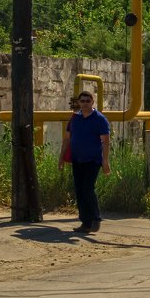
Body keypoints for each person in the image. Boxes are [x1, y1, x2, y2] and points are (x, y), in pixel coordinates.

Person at [58, 90, 110, 234]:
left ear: (93, 102)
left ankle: (96, 218)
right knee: (80, 191)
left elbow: (105, 142)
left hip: (92, 160)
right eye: (82, 101)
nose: (85, 103)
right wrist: (61, 157)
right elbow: (67, 139)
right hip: (77, 160)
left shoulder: (100, 119)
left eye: (88, 101)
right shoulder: (74, 118)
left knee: (88, 188)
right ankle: (85, 223)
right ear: (79, 103)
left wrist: (105, 162)